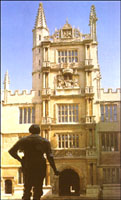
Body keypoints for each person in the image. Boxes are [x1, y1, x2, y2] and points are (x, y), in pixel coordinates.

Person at [8, 124, 59, 200]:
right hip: (40, 165)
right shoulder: (45, 141)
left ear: (30, 131)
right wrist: (55, 170)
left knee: (27, 188)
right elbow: (50, 156)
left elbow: (11, 151)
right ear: (39, 131)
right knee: (38, 189)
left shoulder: (23, 140)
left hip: (28, 164)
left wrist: (21, 160)